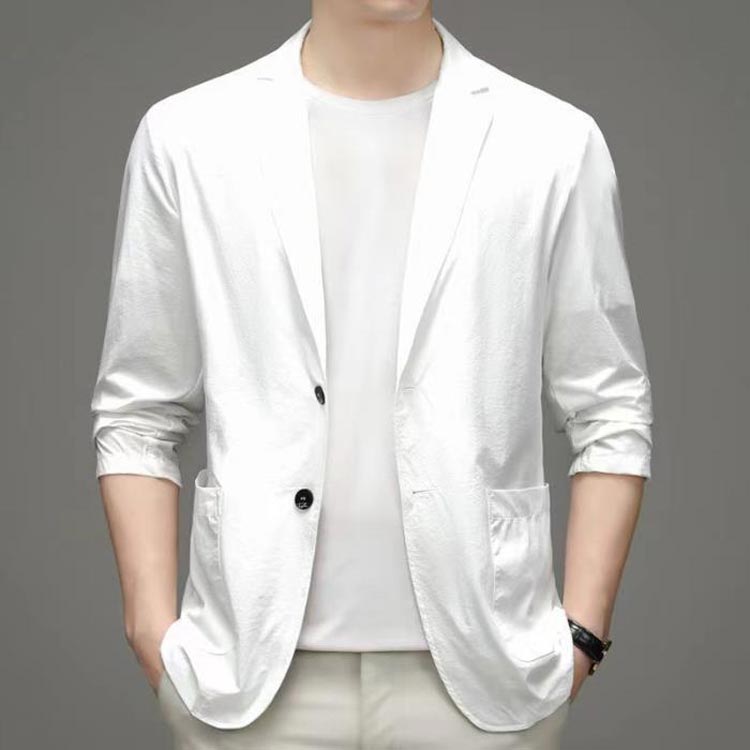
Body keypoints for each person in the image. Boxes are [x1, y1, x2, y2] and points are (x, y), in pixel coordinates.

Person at [90, 2, 654, 748]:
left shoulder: (551, 141)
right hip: (246, 678)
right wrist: (152, 630)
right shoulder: (190, 136)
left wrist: (581, 636)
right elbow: (139, 408)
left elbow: (610, 406)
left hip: (489, 678)